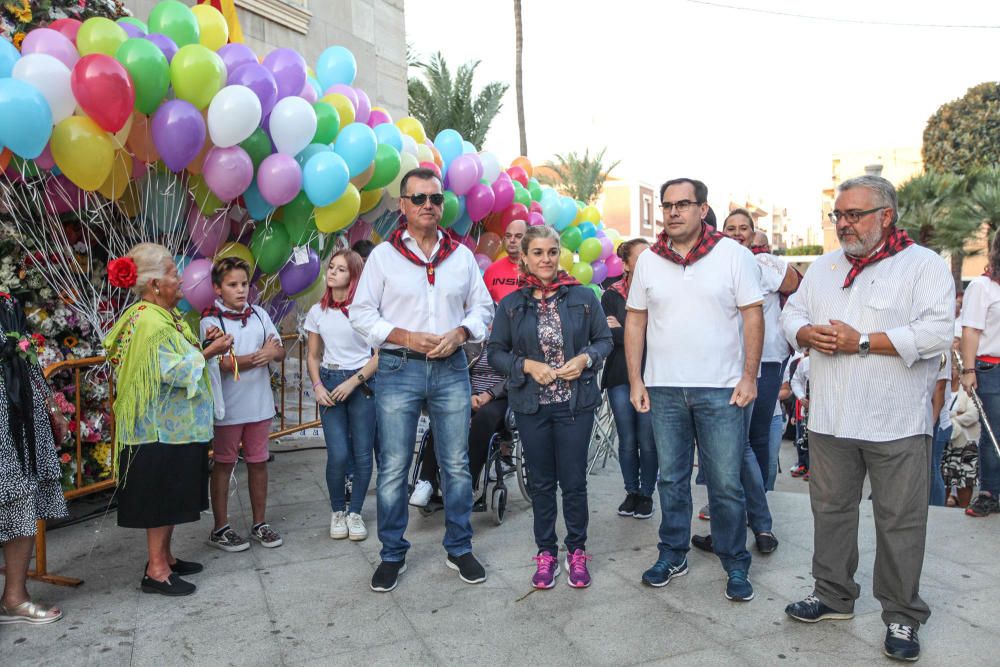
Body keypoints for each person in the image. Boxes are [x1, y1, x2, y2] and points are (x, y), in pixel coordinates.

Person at [781, 175, 953, 662]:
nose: (844, 224)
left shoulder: (923, 265)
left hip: (895, 420)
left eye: (854, 215)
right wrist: (807, 332)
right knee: (830, 512)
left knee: (899, 521)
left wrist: (860, 341)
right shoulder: (823, 267)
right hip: (831, 417)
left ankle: (901, 614)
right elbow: (790, 312)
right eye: (839, 215)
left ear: (886, 216)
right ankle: (833, 596)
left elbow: (938, 332)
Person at [351, 167, 494, 593]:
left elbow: (482, 308)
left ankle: (459, 546)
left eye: (435, 198)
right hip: (398, 367)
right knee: (394, 467)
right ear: (403, 205)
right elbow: (361, 314)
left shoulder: (461, 255)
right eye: (419, 199)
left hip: (451, 369)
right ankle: (392, 554)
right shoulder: (383, 256)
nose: (429, 205)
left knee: (456, 465)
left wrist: (460, 333)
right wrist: (405, 335)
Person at [625, 177, 763, 602]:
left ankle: (735, 561)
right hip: (664, 389)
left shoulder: (734, 255)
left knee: (724, 483)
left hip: (721, 390)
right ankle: (673, 552)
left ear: (703, 209)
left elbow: (753, 316)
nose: (673, 212)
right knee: (671, 480)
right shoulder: (649, 260)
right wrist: (636, 379)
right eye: (667, 205)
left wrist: (749, 376)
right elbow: (635, 320)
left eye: (683, 204)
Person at [104, 244, 234, 596]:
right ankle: (156, 570)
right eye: (174, 274)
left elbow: (180, 356)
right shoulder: (147, 319)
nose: (181, 280)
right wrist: (209, 352)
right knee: (161, 500)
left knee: (172, 497)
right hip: (157, 430)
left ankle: (165, 558)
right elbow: (170, 370)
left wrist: (201, 346)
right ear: (155, 285)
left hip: (174, 429)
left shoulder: (164, 316)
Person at [489, 224, 613, 589]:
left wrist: (586, 359)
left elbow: (604, 340)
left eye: (552, 252)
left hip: (576, 405)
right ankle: (546, 552)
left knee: (573, 482)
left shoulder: (584, 297)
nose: (546, 259)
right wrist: (527, 365)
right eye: (538, 253)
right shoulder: (512, 305)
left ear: (560, 254)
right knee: (541, 483)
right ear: (524, 258)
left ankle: (577, 551)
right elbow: (495, 352)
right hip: (531, 405)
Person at [200, 257, 285, 552]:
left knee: (259, 463)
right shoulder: (211, 321)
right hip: (230, 409)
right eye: (232, 285)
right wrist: (259, 357)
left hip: (260, 405)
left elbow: (280, 350)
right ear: (217, 288)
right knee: (223, 465)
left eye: (244, 284)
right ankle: (220, 527)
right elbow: (221, 362)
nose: (240, 290)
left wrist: (269, 353)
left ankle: (259, 523)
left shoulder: (260, 314)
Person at [0, 292, 69, 625]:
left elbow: (26, 357)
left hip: (18, 413)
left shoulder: (7, 302)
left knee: (20, 497)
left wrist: (52, 406)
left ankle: (14, 597)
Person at [305, 250, 378, 541]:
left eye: (341, 269)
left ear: (354, 276)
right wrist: (318, 386)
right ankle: (338, 510)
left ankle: (355, 512)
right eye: (331, 267)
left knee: (362, 454)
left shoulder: (366, 312)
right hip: (330, 381)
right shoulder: (317, 312)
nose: (332, 273)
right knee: (338, 454)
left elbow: (379, 355)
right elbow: (312, 356)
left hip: (362, 383)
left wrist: (355, 381)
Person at [722, 211, 799, 482]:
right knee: (727, 435)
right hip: (728, 360)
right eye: (730, 228)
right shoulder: (717, 263)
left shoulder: (764, 262)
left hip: (766, 359)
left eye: (743, 228)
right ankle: (732, 497)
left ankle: (759, 498)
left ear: (753, 234)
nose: (737, 233)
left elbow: (795, 285)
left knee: (757, 433)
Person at [409, 334, 507, 511]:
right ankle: (426, 481)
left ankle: (466, 485)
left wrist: (489, 394)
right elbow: (461, 369)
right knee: (443, 416)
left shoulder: (512, 342)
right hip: (470, 395)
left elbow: (517, 375)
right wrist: (470, 395)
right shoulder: (474, 342)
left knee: (484, 418)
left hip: (501, 398)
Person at [601, 238, 657, 519]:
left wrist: (625, 330)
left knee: (648, 439)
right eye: (641, 256)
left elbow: (661, 335)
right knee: (627, 438)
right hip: (619, 376)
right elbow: (606, 336)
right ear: (625, 263)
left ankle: (647, 494)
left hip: (654, 375)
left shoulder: (658, 291)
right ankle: (631, 491)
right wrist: (635, 334)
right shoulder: (611, 295)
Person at [959, 231, 1000, 518]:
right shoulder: (982, 287)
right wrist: (969, 370)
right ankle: (989, 493)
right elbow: (971, 330)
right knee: (994, 433)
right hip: (990, 367)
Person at [944, 360, 979, 508]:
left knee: (965, 480)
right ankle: (941, 505)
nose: (951, 372)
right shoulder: (941, 389)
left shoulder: (966, 389)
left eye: (953, 368)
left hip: (966, 442)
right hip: (946, 443)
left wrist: (950, 417)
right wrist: (957, 414)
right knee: (944, 476)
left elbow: (973, 414)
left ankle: (964, 508)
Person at [483, 220, 527, 303]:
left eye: (518, 236)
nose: (512, 240)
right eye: (508, 236)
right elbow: (481, 306)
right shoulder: (491, 270)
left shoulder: (538, 270)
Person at [929, 354, 951, 506]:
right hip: (925, 419)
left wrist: (931, 422)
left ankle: (936, 508)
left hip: (937, 422)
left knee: (932, 467)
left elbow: (940, 389)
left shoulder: (942, 350)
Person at [788, 351, 811, 479]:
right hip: (807, 411)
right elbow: (795, 381)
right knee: (803, 440)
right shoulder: (805, 362)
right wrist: (802, 397)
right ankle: (805, 465)